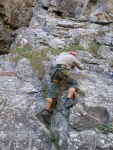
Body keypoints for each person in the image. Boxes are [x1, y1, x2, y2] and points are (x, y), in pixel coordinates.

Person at [42, 50, 84, 124]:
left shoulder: (60, 56)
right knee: (73, 83)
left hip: (53, 71)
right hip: (63, 70)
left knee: (51, 93)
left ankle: (46, 111)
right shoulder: (72, 57)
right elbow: (81, 67)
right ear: (73, 54)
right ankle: (67, 101)